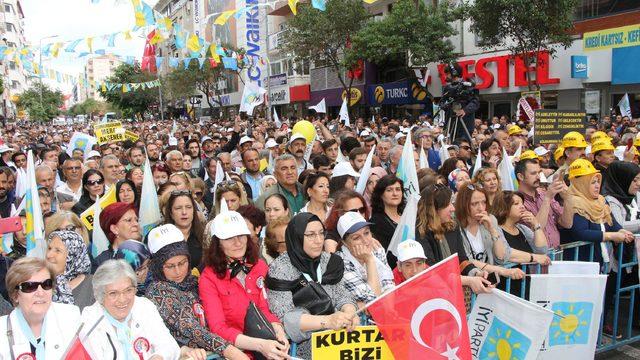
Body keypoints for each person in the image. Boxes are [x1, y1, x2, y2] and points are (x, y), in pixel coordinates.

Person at [145, 224, 248, 360]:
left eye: (182, 263)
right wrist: (230, 351)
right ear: (157, 266)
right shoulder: (157, 291)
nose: (177, 271)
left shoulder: (194, 282)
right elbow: (191, 328)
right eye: (169, 266)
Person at [266, 213, 358, 359]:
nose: (319, 240)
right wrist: (327, 321)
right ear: (296, 237)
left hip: (341, 341)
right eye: (310, 235)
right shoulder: (280, 269)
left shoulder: (330, 261)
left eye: (321, 233)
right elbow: (285, 318)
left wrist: (349, 311)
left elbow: (341, 294)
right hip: (304, 348)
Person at [199, 211, 290, 359]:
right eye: (229, 238)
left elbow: (265, 308)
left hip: (268, 346)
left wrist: (279, 331)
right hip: (235, 353)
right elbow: (218, 328)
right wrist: (260, 345)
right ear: (218, 243)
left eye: (241, 236)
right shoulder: (208, 278)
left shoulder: (259, 266)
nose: (238, 242)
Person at [81, 260, 197, 359]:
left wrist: (158, 356)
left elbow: (169, 345)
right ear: (100, 295)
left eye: (128, 290)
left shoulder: (144, 306)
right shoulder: (90, 320)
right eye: (113, 293)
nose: (122, 299)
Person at [0, 257, 81, 358]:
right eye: (30, 286)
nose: (40, 293)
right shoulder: (2, 329)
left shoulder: (70, 316)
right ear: (15, 295)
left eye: (46, 284)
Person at [559, 159, 633, 265]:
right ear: (581, 184)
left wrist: (621, 230)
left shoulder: (600, 200)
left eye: (598, 181)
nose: (597, 185)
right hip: (581, 262)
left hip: (600, 259)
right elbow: (581, 232)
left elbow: (611, 222)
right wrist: (610, 236)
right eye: (592, 182)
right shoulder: (573, 202)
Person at [454, 183, 525, 279]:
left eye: (483, 202)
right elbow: (466, 260)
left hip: (490, 282)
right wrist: (502, 271)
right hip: (469, 282)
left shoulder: (490, 219)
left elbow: (501, 257)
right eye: (474, 204)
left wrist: (492, 230)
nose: (480, 208)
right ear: (463, 205)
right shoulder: (455, 226)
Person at [336, 212, 394, 307]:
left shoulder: (377, 249)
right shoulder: (340, 263)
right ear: (345, 243)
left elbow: (389, 287)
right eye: (356, 238)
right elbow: (372, 300)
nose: (365, 241)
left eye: (366, 233)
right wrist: (369, 260)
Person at [516, 157, 567, 249]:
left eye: (539, 172)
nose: (539, 177)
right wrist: (547, 198)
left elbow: (566, 223)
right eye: (533, 173)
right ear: (520, 176)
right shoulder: (516, 201)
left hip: (556, 254)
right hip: (537, 259)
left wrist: (568, 198)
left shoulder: (544, 193)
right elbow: (536, 228)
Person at [491, 192, 550, 263]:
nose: (522, 207)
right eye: (516, 204)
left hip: (527, 273)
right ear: (504, 208)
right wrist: (533, 257)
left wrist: (536, 225)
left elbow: (542, 251)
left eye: (522, 203)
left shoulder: (522, 228)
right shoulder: (496, 229)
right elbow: (505, 254)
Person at [45, 230, 94, 310]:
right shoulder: (41, 283)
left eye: (57, 250)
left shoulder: (94, 284)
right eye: (49, 248)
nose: (49, 255)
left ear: (74, 255)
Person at [163, 190, 206, 270]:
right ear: (171, 213)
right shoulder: (161, 237)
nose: (184, 212)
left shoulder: (204, 235)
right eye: (178, 208)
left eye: (188, 207)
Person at [369, 175, 404, 267]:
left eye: (398, 189)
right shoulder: (375, 222)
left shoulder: (407, 216)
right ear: (381, 194)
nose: (395, 193)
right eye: (389, 190)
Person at [94, 202, 141, 271]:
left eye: (136, 220)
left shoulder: (146, 253)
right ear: (114, 229)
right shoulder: (101, 263)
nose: (136, 224)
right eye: (129, 220)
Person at [602, 161, 640, 233]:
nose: (639, 184)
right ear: (623, 180)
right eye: (634, 180)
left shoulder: (635, 194)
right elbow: (619, 226)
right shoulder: (610, 200)